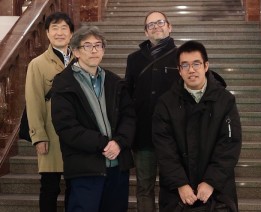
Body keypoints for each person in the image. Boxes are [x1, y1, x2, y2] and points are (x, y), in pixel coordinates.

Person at [51, 25, 135, 212]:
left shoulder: (115, 82)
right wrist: (103, 143)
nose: (94, 50)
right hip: (85, 167)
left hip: (117, 166)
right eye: (87, 46)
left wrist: (119, 142)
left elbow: (129, 117)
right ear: (76, 51)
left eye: (98, 45)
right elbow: (66, 126)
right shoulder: (64, 83)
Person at [152, 41, 242, 212]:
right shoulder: (165, 103)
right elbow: (164, 148)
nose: (191, 70)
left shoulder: (225, 100)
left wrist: (210, 182)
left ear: (206, 66)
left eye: (196, 64)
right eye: (185, 65)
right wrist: (180, 183)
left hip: (217, 192)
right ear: (179, 70)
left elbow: (230, 144)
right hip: (177, 193)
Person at [125, 11, 180, 212]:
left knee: (173, 187)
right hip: (143, 136)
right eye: (151, 25)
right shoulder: (134, 59)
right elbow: (127, 97)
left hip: (173, 137)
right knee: (144, 187)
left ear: (169, 26)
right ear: (146, 32)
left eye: (160, 22)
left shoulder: (182, 57)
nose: (156, 26)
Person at [25, 12, 74, 212]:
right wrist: (39, 137)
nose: (60, 32)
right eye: (55, 28)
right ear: (47, 33)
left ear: (71, 33)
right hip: (51, 135)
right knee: (50, 187)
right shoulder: (37, 64)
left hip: (77, 135)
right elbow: (34, 102)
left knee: (75, 186)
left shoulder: (81, 60)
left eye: (64, 28)